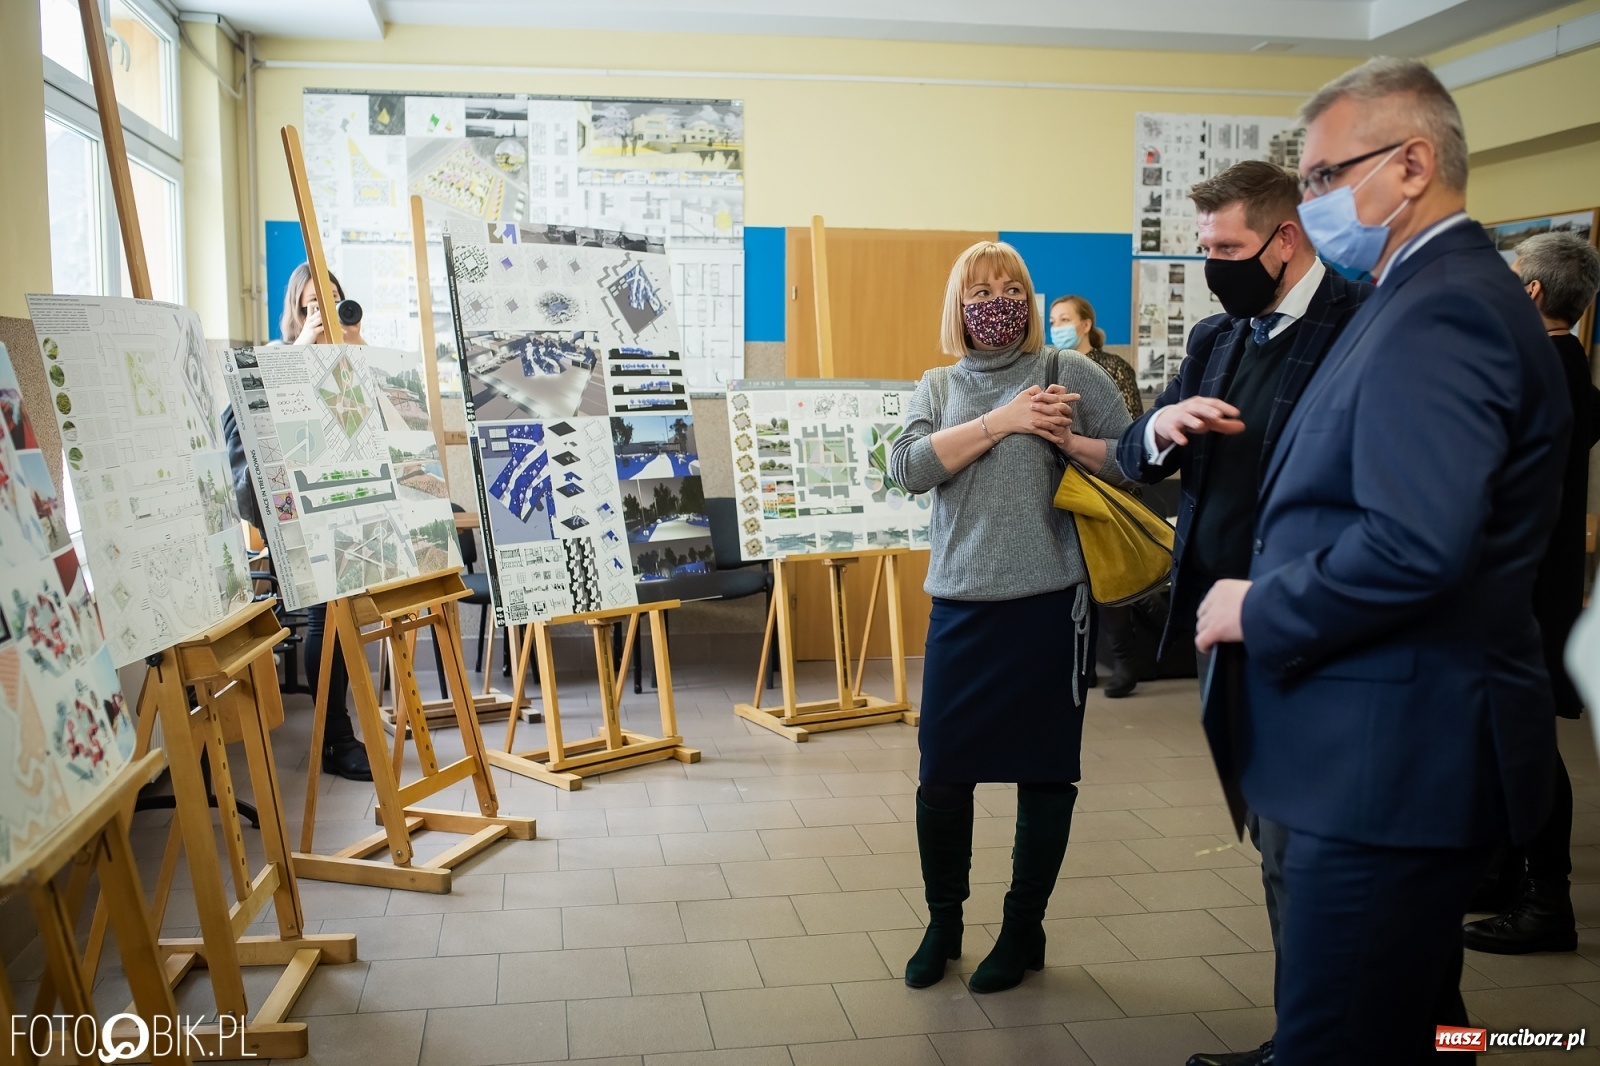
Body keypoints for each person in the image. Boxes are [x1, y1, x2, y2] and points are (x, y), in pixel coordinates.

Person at [1193, 58, 1570, 1063]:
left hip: (1391, 756)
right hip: (1379, 743)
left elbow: (1415, 545)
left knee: (1351, 1033)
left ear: (1411, 164)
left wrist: (1255, 606)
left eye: (1322, 178)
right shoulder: (1415, 292)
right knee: (1412, 1014)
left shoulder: (1442, 308)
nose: (1307, 204)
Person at [1116, 160, 1371, 1066]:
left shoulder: (1360, 326)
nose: (1213, 262)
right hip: (1222, 633)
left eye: (1226, 248)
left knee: (1318, 855)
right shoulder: (1221, 335)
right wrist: (1163, 425)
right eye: (1205, 246)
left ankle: (1337, 1041)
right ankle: (1327, 1035)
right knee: (1274, 843)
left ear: (1285, 238)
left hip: (1313, 631)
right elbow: (1133, 453)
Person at [888, 241, 1134, 994]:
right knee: (942, 778)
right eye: (980, 289)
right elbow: (905, 468)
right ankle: (944, 922)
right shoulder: (937, 383)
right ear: (958, 307)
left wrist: (1071, 439)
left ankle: (1024, 926)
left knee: (1045, 775)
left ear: (1029, 298)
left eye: (1011, 287)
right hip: (961, 604)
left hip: (1050, 607)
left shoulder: (1067, 372)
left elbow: (1135, 458)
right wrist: (1001, 422)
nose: (997, 300)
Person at [1461, 231, 1600, 956]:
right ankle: (1501, 872)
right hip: (1532, 586)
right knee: (1503, 742)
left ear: (1533, 294)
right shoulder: (1565, 365)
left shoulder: (1540, 369)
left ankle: (1547, 902)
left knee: (1526, 748)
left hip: (1523, 590)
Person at [223, 263, 372, 781]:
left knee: (344, 617)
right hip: (297, 514)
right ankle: (335, 739)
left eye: (332, 300)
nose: (324, 311)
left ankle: (350, 731)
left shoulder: (352, 353)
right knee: (321, 618)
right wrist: (303, 354)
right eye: (313, 303)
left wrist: (356, 351)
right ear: (296, 309)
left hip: (352, 504)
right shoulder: (273, 358)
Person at [1050, 295, 1145, 698]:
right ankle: (1083, 664)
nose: (1057, 326)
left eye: (1065, 319)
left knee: (1110, 577)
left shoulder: (1112, 367)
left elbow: (1131, 431)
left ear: (1085, 324)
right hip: (1065, 482)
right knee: (1076, 580)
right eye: (1053, 319)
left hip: (1106, 482)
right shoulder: (1051, 366)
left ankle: (1125, 662)